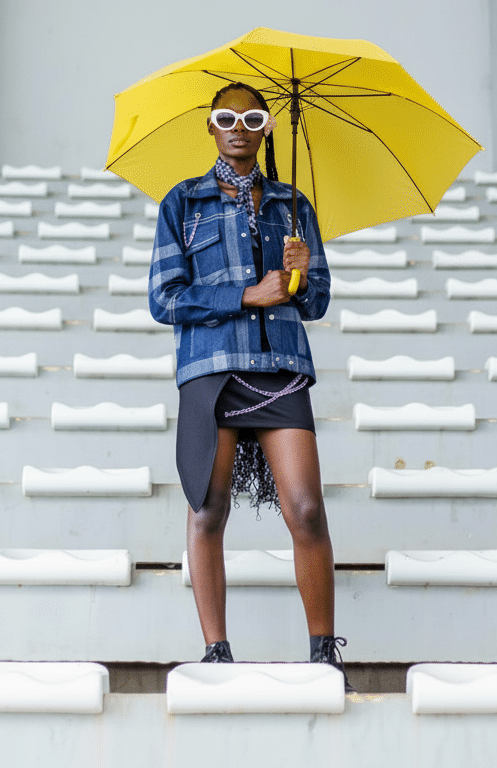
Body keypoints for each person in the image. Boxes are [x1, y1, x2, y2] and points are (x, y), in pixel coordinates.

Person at [148, 82, 351, 690]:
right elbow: (164, 298)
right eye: (226, 116)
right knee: (208, 509)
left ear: (266, 128)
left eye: (252, 116)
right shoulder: (182, 203)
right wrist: (246, 294)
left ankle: (323, 651)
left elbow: (313, 304)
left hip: (281, 366)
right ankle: (216, 651)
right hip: (211, 370)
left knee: (307, 508)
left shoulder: (294, 206)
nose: (239, 125)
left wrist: (300, 273)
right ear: (210, 127)